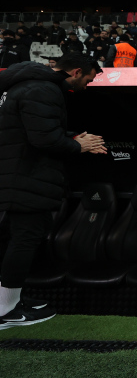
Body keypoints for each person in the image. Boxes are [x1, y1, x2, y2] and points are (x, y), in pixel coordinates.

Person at [0, 54, 106, 329]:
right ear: (76, 71)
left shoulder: (26, 84)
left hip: (17, 174)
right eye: (88, 79)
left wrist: (71, 137)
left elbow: (35, 130)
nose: (87, 85)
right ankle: (4, 311)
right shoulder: (43, 89)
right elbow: (43, 139)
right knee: (26, 238)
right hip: (25, 177)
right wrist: (78, 146)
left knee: (18, 238)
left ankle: (10, 302)